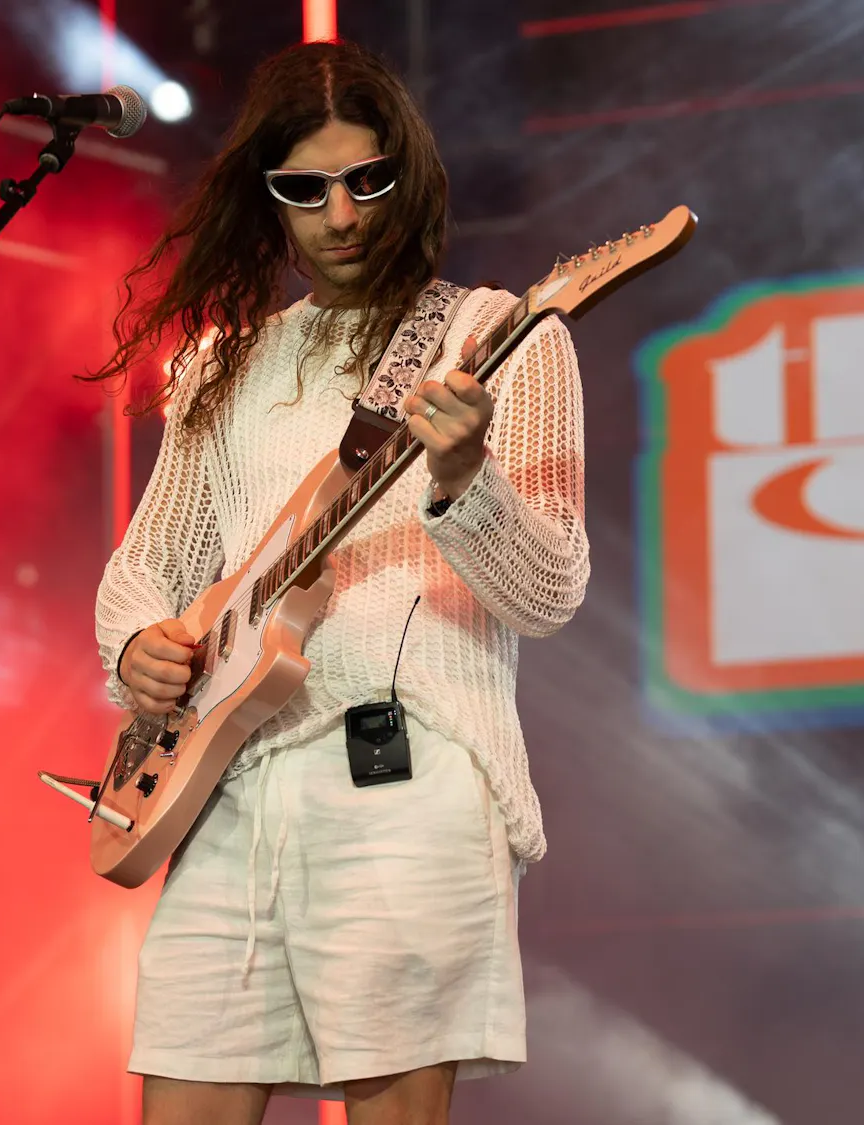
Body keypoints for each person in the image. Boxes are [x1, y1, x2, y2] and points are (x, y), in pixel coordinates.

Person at [87, 38, 589, 1125]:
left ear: (406, 174)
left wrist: (463, 481)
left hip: (402, 780)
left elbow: (550, 593)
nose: (343, 215)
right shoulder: (221, 366)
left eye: (367, 181)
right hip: (226, 786)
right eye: (306, 190)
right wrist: (139, 648)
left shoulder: (500, 336)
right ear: (265, 197)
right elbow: (143, 571)